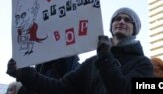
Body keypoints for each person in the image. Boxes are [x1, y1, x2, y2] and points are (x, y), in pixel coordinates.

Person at [7, 7, 153, 94]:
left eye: (128, 20)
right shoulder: (92, 63)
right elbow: (58, 88)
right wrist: (24, 73)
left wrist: (106, 59)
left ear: (135, 29)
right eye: (117, 19)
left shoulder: (143, 64)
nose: (121, 22)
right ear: (111, 25)